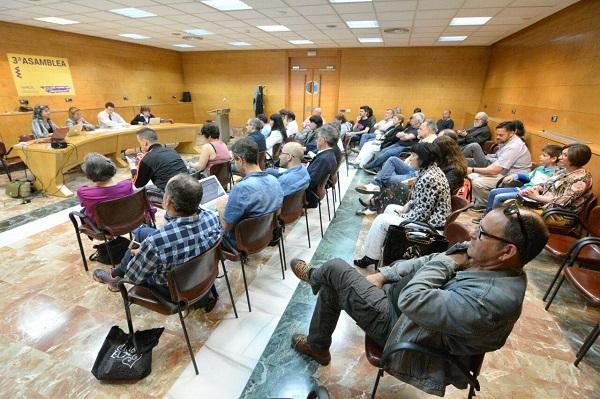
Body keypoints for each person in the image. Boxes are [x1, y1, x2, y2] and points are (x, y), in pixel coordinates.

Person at [288, 205, 549, 397]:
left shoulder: (489, 300)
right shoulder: (484, 259)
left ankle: (314, 277)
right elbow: (428, 261)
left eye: (481, 232)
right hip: (407, 312)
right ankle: (318, 346)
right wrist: (385, 274)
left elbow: (414, 298)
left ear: (507, 251)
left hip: (405, 334)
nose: (471, 233)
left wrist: (447, 261)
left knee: (334, 268)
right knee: (335, 286)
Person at [92, 173, 223, 310]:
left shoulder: (156, 242)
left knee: (136, 253)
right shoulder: (212, 218)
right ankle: (116, 273)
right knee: (143, 232)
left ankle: (115, 278)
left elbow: (134, 277)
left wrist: (140, 255)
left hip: (171, 289)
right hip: (202, 276)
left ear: (168, 201)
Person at [354, 143, 451, 268]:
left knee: (381, 220)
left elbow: (422, 215)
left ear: (424, 158)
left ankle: (370, 257)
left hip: (431, 228)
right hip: (428, 219)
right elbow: (424, 200)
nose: (410, 158)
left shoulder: (429, 178)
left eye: (413, 155)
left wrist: (402, 214)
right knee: (389, 208)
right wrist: (409, 203)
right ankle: (376, 252)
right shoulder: (430, 170)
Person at [217, 138, 283, 248]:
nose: (234, 163)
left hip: (241, 242)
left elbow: (226, 226)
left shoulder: (240, 188)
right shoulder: (274, 180)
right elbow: (278, 212)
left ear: (240, 160)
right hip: (265, 236)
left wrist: (220, 208)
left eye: (234, 160)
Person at [477, 144, 562, 221]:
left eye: (544, 155)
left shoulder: (555, 174)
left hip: (528, 195)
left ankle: (493, 220)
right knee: (493, 192)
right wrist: (515, 176)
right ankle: (487, 215)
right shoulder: (540, 168)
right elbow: (528, 176)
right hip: (520, 189)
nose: (540, 156)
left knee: (499, 197)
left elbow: (546, 188)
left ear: (553, 159)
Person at [519, 143, 593, 225]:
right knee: (511, 205)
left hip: (558, 215)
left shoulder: (582, 179)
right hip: (543, 206)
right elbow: (547, 184)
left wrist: (536, 197)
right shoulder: (562, 170)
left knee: (519, 215)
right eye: (561, 153)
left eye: (564, 155)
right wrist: (534, 188)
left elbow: (561, 202)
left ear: (575, 159)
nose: (560, 157)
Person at [464, 121, 532, 209]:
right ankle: (476, 201)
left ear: (512, 133)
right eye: (497, 134)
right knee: (472, 176)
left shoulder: (514, 147)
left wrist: (473, 169)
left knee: (477, 183)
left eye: (501, 135)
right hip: (504, 174)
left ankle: (489, 204)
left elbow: (495, 170)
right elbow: (496, 164)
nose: (497, 137)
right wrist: (477, 172)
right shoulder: (508, 142)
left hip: (515, 180)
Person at [131, 128, 189, 205]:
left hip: (172, 197)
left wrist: (134, 167)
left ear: (145, 143)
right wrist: (145, 158)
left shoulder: (147, 159)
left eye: (139, 143)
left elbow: (138, 184)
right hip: (188, 190)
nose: (140, 146)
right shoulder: (171, 151)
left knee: (141, 192)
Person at [77, 153, 135, 224]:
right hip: (125, 221)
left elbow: (84, 205)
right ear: (111, 167)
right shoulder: (127, 185)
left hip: (103, 226)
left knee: (83, 211)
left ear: (88, 174)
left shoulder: (84, 192)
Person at [361, 113, 426, 173]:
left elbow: (407, 137)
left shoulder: (417, 130)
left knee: (388, 153)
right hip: (398, 143)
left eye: (413, 118)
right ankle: (377, 168)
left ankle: (369, 166)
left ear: (418, 121)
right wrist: (403, 135)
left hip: (404, 148)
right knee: (384, 150)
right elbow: (398, 135)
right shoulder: (410, 127)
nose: (411, 119)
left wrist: (403, 135)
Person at [306, 126, 339, 209]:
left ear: (323, 140)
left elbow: (310, 182)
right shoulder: (329, 154)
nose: (316, 141)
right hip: (312, 191)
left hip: (308, 196)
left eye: (317, 138)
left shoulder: (324, 159)